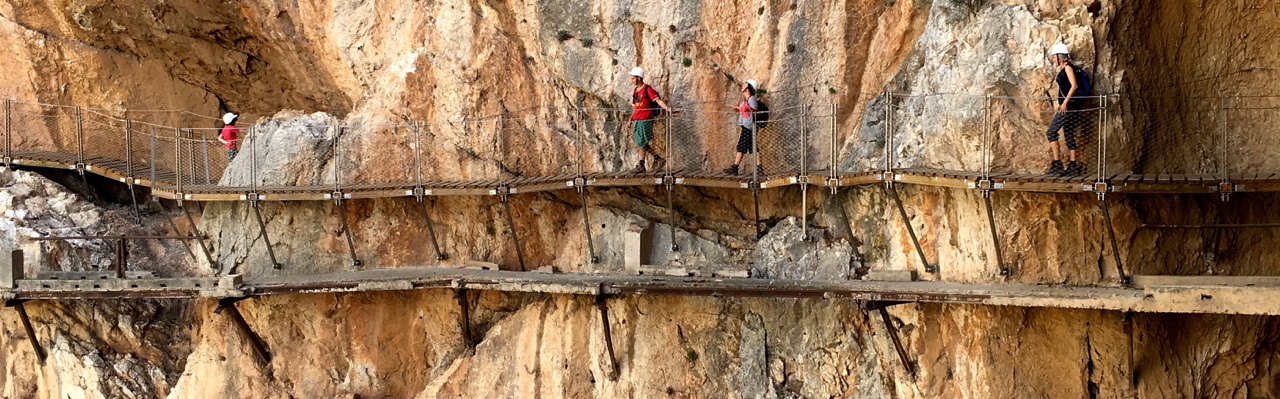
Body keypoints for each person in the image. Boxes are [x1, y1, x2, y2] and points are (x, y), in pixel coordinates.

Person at [624, 67, 676, 173]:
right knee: (639, 141)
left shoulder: (647, 89)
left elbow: (658, 100)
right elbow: (635, 107)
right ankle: (657, 159)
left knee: (641, 141)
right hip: (637, 119)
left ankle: (642, 164)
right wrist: (630, 119)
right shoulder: (635, 91)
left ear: (639, 78)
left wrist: (668, 109)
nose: (632, 80)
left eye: (633, 78)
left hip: (645, 119)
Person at [1045, 43, 1085, 176]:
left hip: (1068, 107)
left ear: (1059, 57)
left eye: (1054, 57)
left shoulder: (1068, 68)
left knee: (1051, 132)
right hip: (1072, 106)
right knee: (1068, 133)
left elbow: (1074, 86)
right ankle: (1072, 166)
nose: (1053, 59)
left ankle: (1058, 164)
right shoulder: (1067, 68)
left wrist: (1064, 103)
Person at [723, 79, 763, 175]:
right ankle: (759, 168)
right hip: (747, 126)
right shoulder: (747, 99)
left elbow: (755, 109)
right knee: (753, 147)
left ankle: (735, 168)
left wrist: (751, 108)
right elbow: (745, 109)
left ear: (748, 88)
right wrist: (736, 108)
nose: (742, 86)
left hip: (749, 127)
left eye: (744, 85)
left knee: (741, 147)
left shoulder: (751, 99)